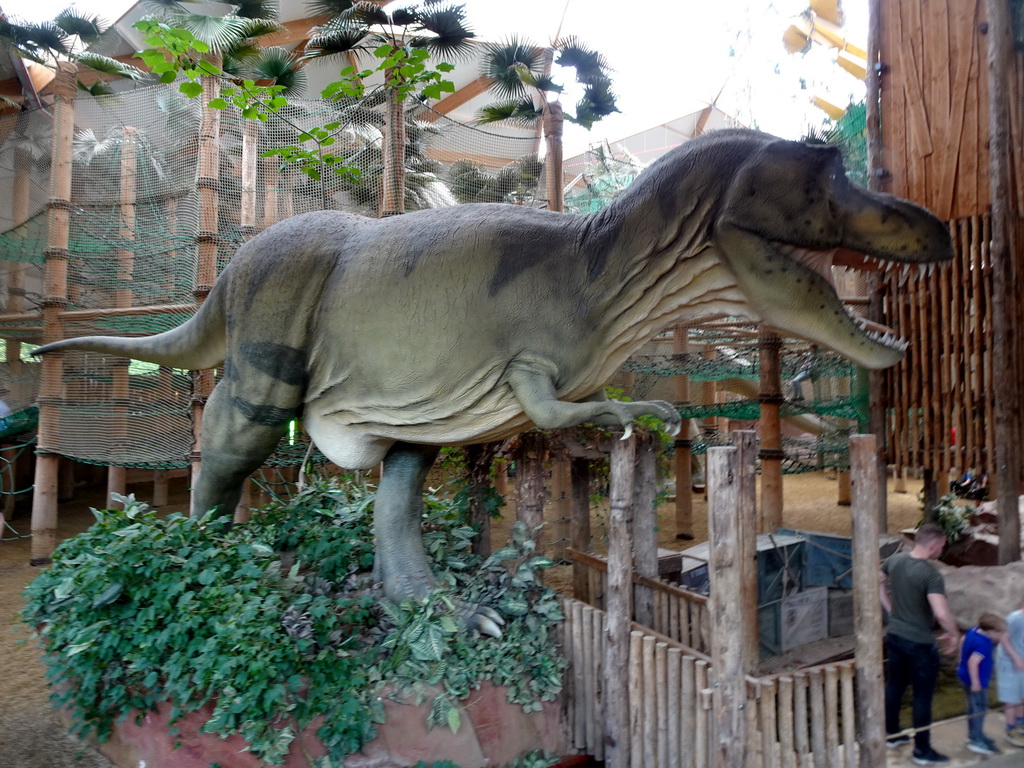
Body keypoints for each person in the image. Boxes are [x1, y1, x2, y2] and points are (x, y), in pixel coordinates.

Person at [879, 523, 961, 765]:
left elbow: (877, 581)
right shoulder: (931, 575)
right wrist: (954, 634)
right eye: (942, 546)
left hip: (895, 636)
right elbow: (942, 614)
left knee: (895, 685)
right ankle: (922, 750)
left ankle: (891, 734)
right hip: (920, 644)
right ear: (933, 545)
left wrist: (890, 610)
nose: (942, 551)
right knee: (922, 697)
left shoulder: (896, 561)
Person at [957, 611, 1007, 754]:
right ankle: (976, 740)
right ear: (991, 632)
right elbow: (974, 662)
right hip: (976, 681)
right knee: (980, 709)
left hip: (963, 674)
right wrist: (976, 683)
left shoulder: (973, 631)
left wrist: (960, 660)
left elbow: (962, 640)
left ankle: (973, 734)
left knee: (972, 707)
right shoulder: (984, 644)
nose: (1001, 636)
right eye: (1000, 633)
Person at [997, 595, 1024, 747]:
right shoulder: (1015, 619)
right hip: (1009, 662)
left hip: (1022, 662)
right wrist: (1016, 658)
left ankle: (1020, 724)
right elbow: (1003, 638)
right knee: (1011, 698)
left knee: (1022, 694)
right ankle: (1010, 728)